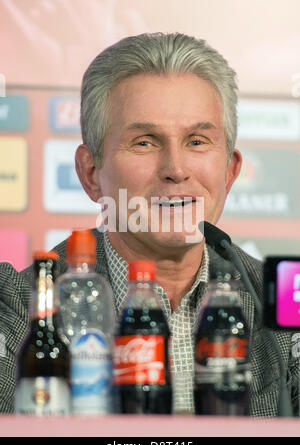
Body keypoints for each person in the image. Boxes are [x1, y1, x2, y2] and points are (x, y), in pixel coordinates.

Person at [0, 32, 298, 416]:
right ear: (91, 173)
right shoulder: (18, 306)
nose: (175, 169)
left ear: (229, 171)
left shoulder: (283, 306)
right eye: (144, 142)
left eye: (196, 141)